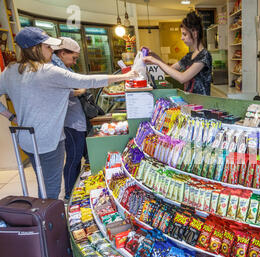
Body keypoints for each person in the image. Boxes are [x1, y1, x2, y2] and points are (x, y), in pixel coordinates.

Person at [0, 27, 137, 199]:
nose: (52, 51)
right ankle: (48, 220)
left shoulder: (10, 71)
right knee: (51, 188)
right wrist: (124, 76)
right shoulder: (47, 71)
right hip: (49, 140)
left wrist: (11, 117)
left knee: (42, 179)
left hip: (26, 139)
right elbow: (87, 80)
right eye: (48, 47)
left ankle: (43, 213)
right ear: (36, 48)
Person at [51, 37, 88, 201]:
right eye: (73, 58)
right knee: (73, 157)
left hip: (75, 119)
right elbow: (56, 93)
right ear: (62, 53)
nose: (74, 62)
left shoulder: (63, 68)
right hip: (70, 122)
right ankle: (69, 194)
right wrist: (79, 91)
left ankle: (74, 190)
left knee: (78, 156)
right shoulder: (55, 70)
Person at [142, 11, 212, 95]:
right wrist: (155, 57)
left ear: (195, 33)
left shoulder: (204, 56)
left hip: (201, 105)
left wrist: (156, 61)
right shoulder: (189, 56)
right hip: (190, 102)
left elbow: (182, 78)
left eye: (184, 34)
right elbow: (169, 70)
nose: (182, 38)